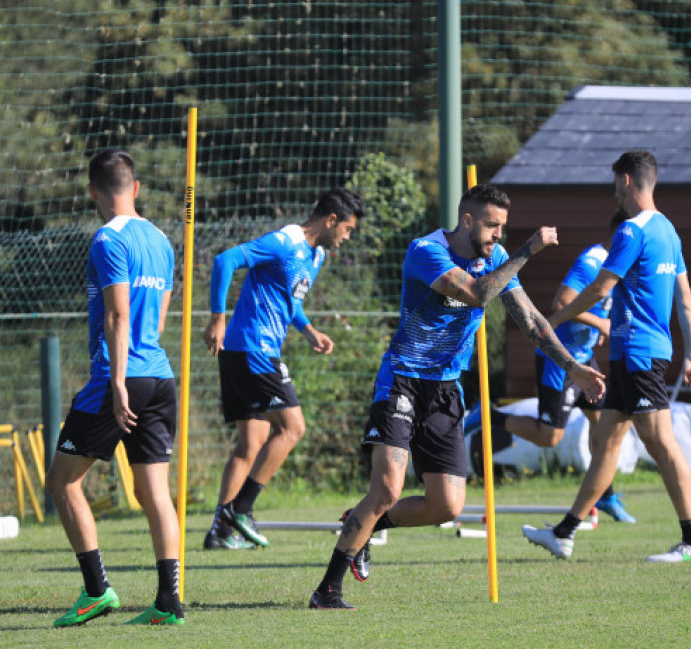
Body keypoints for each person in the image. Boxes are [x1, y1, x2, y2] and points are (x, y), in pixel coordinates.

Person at [309, 183, 606, 610]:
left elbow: (533, 321)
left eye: (504, 227)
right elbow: (477, 294)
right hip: (403, 380)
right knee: (387, 489)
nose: (498, 235)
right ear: (467, 220)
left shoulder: (497, 258)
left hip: (447, 390)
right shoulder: (426, 251)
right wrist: (528, 249)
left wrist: (573, 366)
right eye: (491, 225)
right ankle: (327, 591)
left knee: (447, 504)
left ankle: (367, 524)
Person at [522, 149, 691, 563]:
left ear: (626, 181)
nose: (614, 195)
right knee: (606, 446)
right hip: (635, 353)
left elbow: (599, 289)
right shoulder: (669, 231)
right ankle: (564, 533)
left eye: (614, 185)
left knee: (662, 444)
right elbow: (686, 299)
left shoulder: (632, 231)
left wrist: (555, 318)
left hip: (640, 354)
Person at [45, 148, 184, 626]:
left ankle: (96, 590)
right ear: (137, 188)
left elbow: (117, 314)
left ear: (92, 192)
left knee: (62, 481)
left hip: (117, 378)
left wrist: (120, 382)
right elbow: (159, 318)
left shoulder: (108, 239)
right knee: (155, 494)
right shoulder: (163, 240)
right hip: (160, 376)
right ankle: (169, 603)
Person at [202, 187, 365, 550]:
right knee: (293, 428)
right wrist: (218, 318)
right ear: (331, 220)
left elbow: (289, 300)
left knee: (252, 444)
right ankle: (238, 510)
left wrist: (309, 331)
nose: (348, 237)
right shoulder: (285, 241)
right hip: (252, 349)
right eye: (349, 229)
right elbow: (225, 260)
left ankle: (221, 533)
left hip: (250, 351)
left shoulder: (317, 255)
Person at [491, 209, 636, 523]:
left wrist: (596, 329)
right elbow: (561, 303)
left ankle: (606, 496)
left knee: (605, 427)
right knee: (550, 438)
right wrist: (602, 324)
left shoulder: (616, 264)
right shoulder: (592, 261)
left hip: (584, 357)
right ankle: (490, 417)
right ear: (618, 236)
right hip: (558, 359)